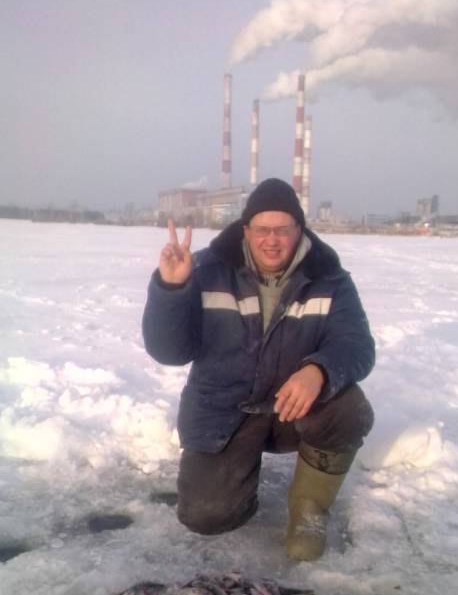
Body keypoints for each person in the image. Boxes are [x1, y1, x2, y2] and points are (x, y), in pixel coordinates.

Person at [142, 177, 374, 561]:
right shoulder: (205, 269)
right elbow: (169, 352)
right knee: (206, 516)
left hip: (293, 407)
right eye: (262, 229)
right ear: (245, 230)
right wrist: (171, 289)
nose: (272, 240)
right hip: (224, 413)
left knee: (346, 407)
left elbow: (357, 346)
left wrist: (318, 370)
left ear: (299, 230)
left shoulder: (330, 278)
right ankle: (238, 483)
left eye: (283, 229)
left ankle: (309, 510)